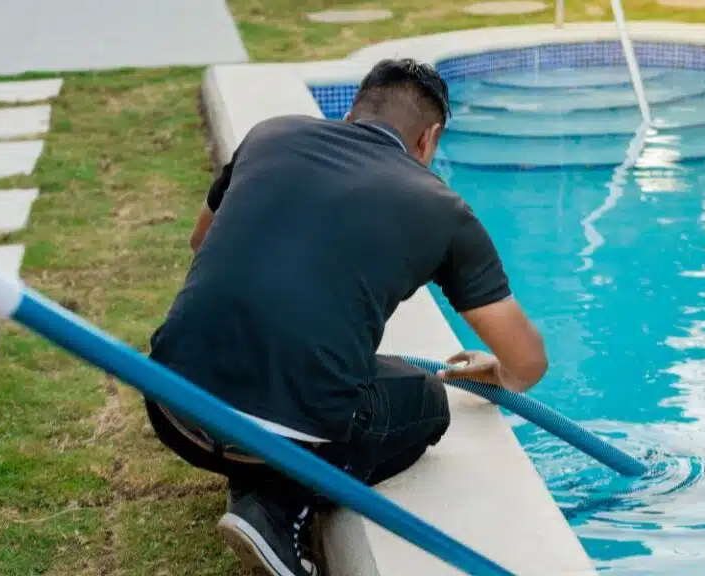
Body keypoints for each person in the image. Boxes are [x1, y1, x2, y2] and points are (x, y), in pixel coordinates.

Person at [144, 58, 548, 576]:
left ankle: (260, 478)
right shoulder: (441, 207)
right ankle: (275, 506)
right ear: (430, 138)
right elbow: (528, 363)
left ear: (354, 111)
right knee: (425, 396)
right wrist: (495, 371)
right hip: (285, 436)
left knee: (344, 371)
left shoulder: (271, 134)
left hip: (172, 407)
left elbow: (200, 241)